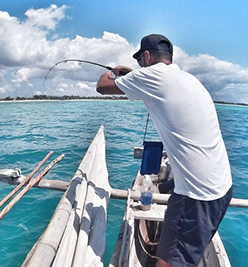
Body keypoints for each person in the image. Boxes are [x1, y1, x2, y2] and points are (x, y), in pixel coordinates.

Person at [97, 34, 233, 267]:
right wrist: (136, 74)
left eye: (140, 60)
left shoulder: (150, 75)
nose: (139, 66)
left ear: (147, 56)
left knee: (168, 263)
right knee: (166, 191)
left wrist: (113, 72)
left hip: (196, 194)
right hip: (222, 187)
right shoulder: (187, 78)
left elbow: (102, 87)